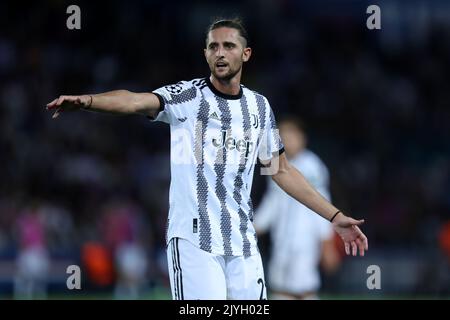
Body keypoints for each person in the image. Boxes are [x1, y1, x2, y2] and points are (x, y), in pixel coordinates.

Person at [46, 18, 368, 300]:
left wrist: (334, 215)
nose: (220, 52)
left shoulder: (258, 108)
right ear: (205, 54)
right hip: (194, 242)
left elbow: (281, 171)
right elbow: (135, 101)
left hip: (242, 243)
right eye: (213, 46)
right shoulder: (188, 97)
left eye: (228, 45)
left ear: (246, 54)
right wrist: (88, 101)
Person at [254, 116, 341, 299]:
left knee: (304, 288)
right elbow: (272, 203)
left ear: (302, 138)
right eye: (283, 136)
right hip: (282, 238)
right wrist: (254, 227)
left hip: (305, 239)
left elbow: (323, 203)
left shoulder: (312, 165)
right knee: (279, 286)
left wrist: (327, 243)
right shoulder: (275, 164)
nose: (286, 140)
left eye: (291, 135)